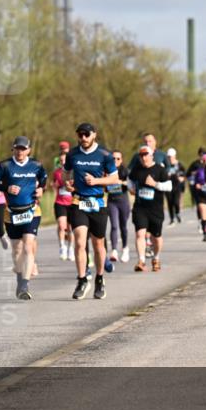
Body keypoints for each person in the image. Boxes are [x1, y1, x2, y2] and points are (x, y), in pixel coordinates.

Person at [64, 122, 120, 300]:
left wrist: (96, 182)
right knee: (80, 242)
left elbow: (114, 178)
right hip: (78, 201)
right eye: (80, 135)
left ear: (94, 134)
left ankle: (99, 279)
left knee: (98, 245)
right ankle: (82, 280)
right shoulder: (72, 154)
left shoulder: (105, 154)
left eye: (86, 134)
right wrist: (68, 183)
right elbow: (67, 173)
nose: (83, 138)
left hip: (98, 203)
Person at [0, 136, 48, 300]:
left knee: (28, 246)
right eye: (17, 148)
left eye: (23, 149)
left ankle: (24, 285)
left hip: (32, 211)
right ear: (13, 149)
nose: (20, 152)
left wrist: (42, 189)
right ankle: (19, 278)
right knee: (17, 250)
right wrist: (6, 188)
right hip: (11, 213)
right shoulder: (5, 165)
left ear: (29, 150)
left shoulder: (36, 165)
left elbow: (44, 178)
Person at [128, 145, 172, 271]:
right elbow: (129, 180)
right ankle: (141, 261)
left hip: (156, 209)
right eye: (141, 155)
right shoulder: (136, 169)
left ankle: (156, 258)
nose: (143, 158)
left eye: (146, 155)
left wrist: (155, 184)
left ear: (152, 156)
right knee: (140, 233)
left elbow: (169, 186)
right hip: (140, 207)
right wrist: (131, 188)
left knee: (156, 237)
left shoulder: (160, 169)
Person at [105, 149, 131, 264]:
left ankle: (125, 248)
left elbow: (131, 185)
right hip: (112, 202)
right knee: (114, 226)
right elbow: (104, 187)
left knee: (123, 226)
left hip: (123, 201)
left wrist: (121, 182)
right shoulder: (107, 170)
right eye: (113, 158)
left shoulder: (125, 171)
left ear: (121, 160)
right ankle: (114, 251)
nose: (115, 160)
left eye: (118, 158)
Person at [53, 142, 74, 261]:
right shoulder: (56, 172)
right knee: (62, 226)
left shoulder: (73, 172)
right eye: (61, 161)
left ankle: (71, 249)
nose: (63, 163)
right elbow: (53, 185)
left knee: (71, 228)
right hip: (60, 202)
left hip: (72, 202)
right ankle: (62, 247)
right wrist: (55, 185)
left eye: (64, 161)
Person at [187, 148, 206, 242]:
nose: (205, 162)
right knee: (203, 214)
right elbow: (194, 181)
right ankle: (205, 233)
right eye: (204, 160)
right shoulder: (199, 170)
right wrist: (197, 185)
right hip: (201, 194)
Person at [164, 148, 185, 225]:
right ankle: (172, 219)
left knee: (176, 202)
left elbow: (184, 174)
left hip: (177, 186)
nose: (170, 158)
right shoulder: (165, 165)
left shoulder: (179, 164)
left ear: (175, 156)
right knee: (170, 203)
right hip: (168, 186)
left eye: (171, 156)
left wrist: (181, 178)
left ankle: (177, 213)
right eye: (169, 157)